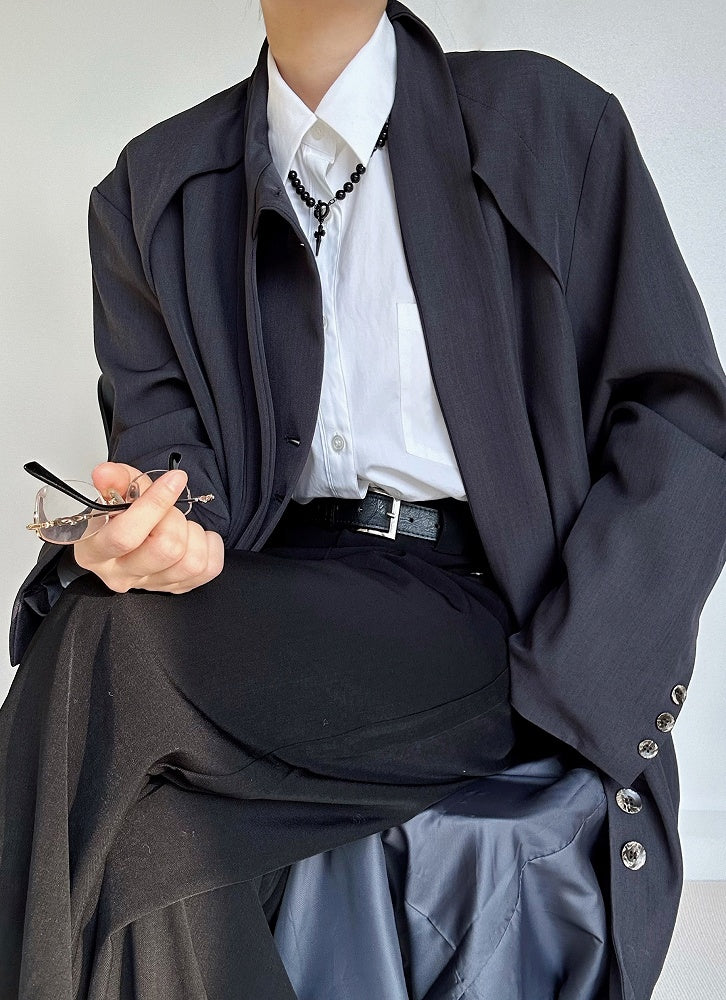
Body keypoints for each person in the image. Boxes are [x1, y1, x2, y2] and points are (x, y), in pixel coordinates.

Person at [3, 1, 726, 999]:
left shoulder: (547, 124)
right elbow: (171, 453)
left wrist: (578, 688)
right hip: (272, 608)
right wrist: (167, 532)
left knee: (98, 643)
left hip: (483, 618)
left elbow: (681, 426)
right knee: (134, 769)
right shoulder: (152, 188)